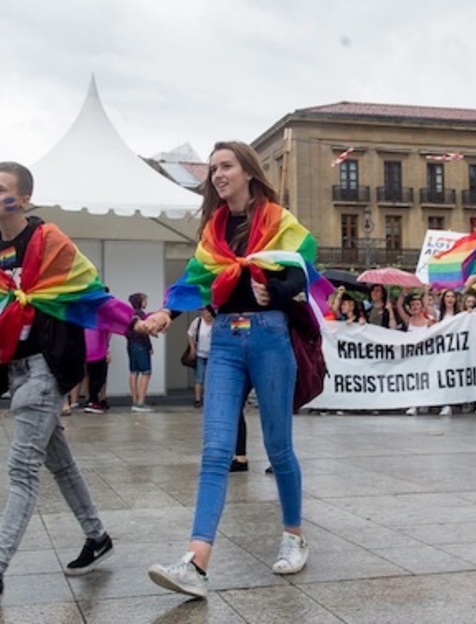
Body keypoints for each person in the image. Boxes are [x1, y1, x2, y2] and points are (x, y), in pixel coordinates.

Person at [0, 162, 125, 604]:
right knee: (61, 464)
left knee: (22, 468)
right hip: (16, 369)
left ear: (24, 199)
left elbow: (91, 291)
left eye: (2, 190)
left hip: (46, 368)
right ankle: (97, 536)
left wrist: (137, 322)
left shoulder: (48, 240)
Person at [138, 141, 317, 599]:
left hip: (270, 337)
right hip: (226, 344)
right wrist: (164, 314)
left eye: (226, 166)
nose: (217, 174)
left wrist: (275, 292)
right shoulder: (214, 229)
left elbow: (303, 270)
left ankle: (294, 536)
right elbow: (196, 281)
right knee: (216, 450)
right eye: (213, 168)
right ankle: (196, 562)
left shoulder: (277, 219)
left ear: (248, 172)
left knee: (279, 448)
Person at [396, 290, 435, 415]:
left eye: (417, 304)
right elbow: (398, 306)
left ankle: (425, 402)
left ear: (421, 306)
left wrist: (426, 290)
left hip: (425, 356)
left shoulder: (428, 322)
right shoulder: (409, 321)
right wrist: (403, 292)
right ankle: (413, 404)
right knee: (413, 380)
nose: (415, 307)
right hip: (412, 356)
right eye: (413, 305)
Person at [125, 293, 154, 412]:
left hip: (131, 345)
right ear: (140, 302)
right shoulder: (142, 316)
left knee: (134, 372)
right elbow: (145, 333)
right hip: (141, 346)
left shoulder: (129, 315)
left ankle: (134, 401)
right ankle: (141, 402)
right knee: (146, 372)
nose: (146, 302)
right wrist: (149, 347)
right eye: (144, 300)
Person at [187, 306, 215, 408]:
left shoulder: (216, 322)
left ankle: (210, 399)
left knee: (211, 378)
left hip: (213, 355)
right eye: (206, 312)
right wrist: (192, 348)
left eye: (209, 312)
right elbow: (189, 334)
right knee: (199, 378)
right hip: (200, 354)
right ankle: (198, 399)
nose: (208, 314)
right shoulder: (198, 322)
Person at [83, 326, 112, 414]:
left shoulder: (87, 321)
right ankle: (93, 401)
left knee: (91, 376)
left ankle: (90, 401)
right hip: (99, 352)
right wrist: (106, 352)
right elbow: (106, 336)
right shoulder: (102, 322)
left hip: (87, 352)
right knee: (100, 377)